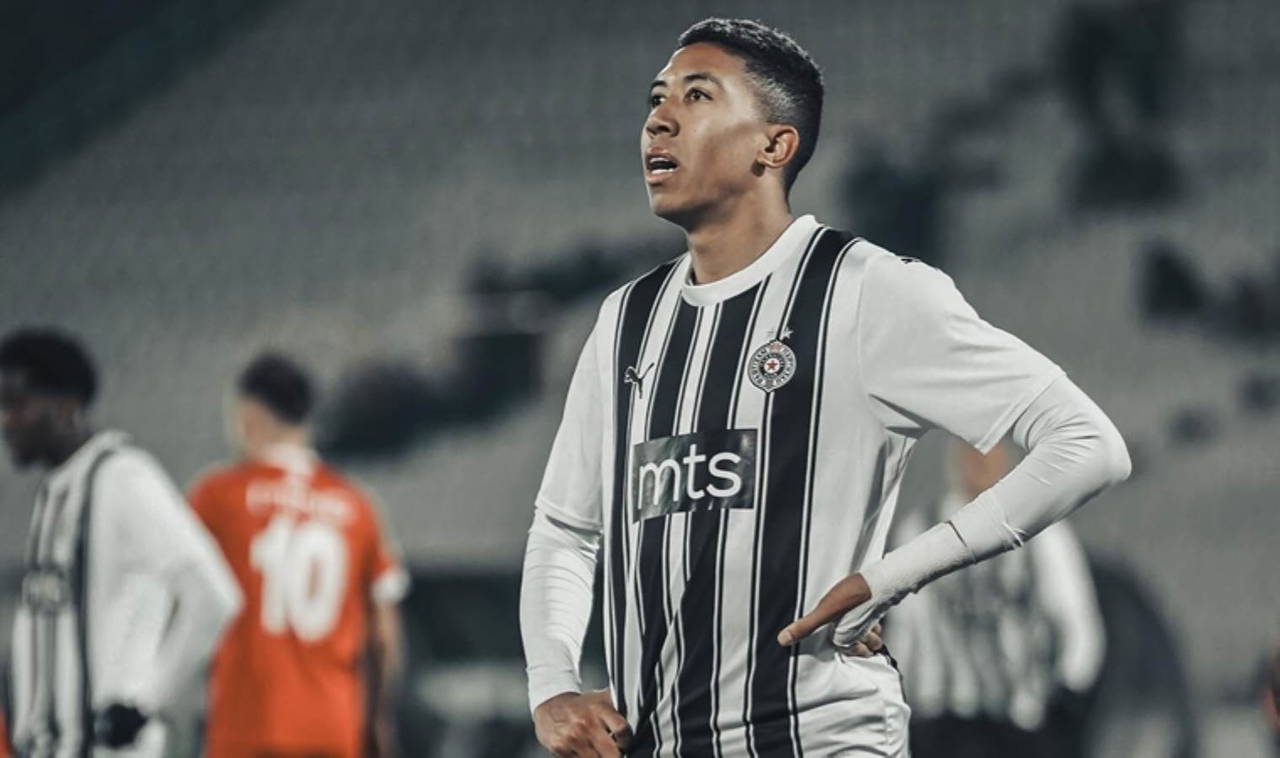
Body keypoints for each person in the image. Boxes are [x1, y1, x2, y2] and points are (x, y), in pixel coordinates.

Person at [519, 17, 1131, 758]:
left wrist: (892, 578)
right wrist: (551, 684)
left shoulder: (867, 292)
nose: (659, 118)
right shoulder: (627, 320)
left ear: (774, 146)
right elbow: (566, 528)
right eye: (657, 97)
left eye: (697, 95)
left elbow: (1086, 444)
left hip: (821, 740)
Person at [0, 328, 241, 757]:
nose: (6, 421)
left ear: (67, 407)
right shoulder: (57, 491)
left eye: (17, 404)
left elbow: (215, 596)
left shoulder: (122, 478)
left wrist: (145, 702)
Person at [189, 352, 408, 758]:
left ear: (248, 415)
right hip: (332, 728)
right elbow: (384, 636)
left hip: (246, 729)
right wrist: (378, 719)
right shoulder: (358, 506)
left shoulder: (217, 497)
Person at [888, 440, 1106, 758]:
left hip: (1022, 722)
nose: (982, 466)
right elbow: (905, 632)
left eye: (992, 456)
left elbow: (1077, 625)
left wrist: (1067, 697)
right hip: (944, 722)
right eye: (972, 456)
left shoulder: (1043, 533)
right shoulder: (919, 533)